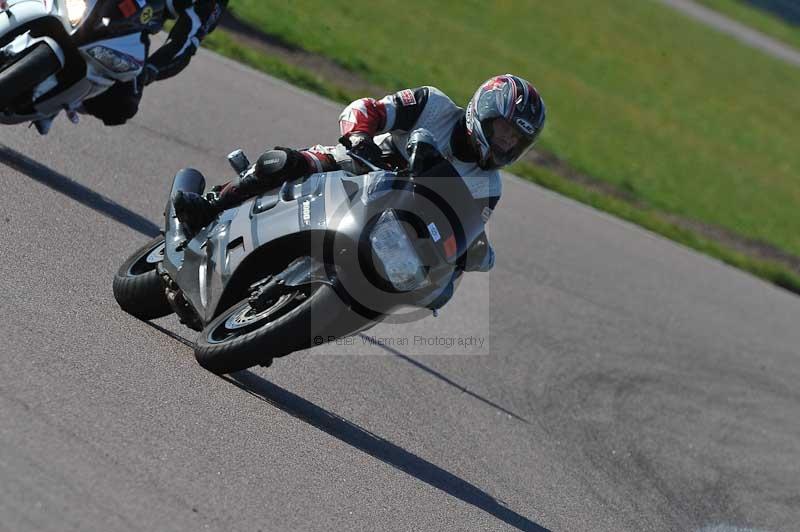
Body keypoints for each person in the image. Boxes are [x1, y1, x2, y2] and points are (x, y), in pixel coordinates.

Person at [174, 74, 546, 275]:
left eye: (515, 140)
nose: (505, 143)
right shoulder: (432, 104)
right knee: (287, 162)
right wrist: (360, 139)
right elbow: (367, 109)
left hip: (398, 221)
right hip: (361, 166)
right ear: (482, 111)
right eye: (503, 130)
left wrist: (458, 252)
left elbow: (462, 231)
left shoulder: (488, 186)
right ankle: (211, 205)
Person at [82, 0, 228, 126]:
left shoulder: (212, 4)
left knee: (123, 103)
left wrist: (151, 70)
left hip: (130, 30)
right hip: (90, 6)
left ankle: (69, 102)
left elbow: (185, 44)